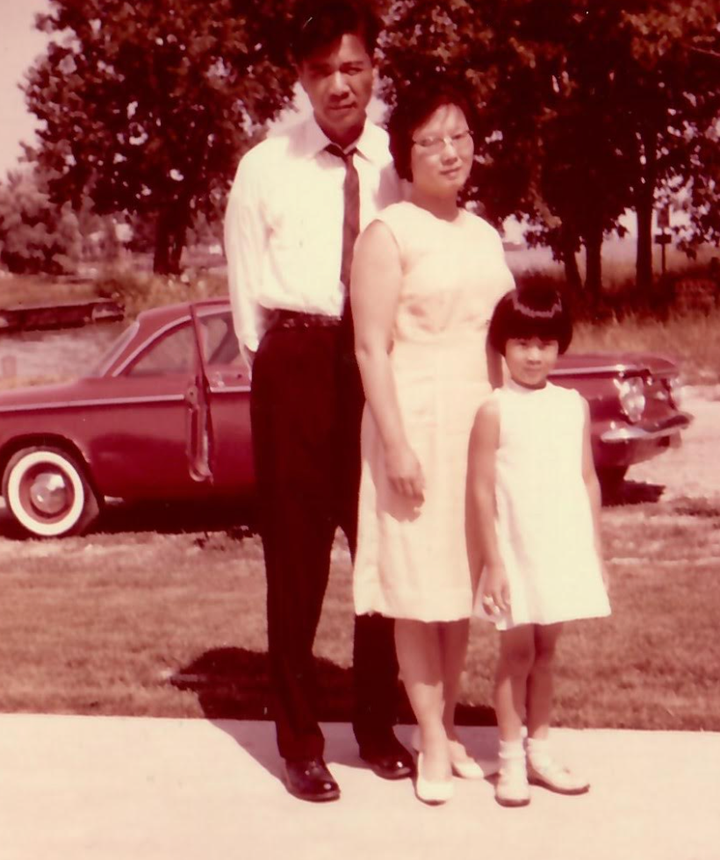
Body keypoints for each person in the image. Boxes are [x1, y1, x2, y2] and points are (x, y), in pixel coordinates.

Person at [224, 0, 412, 803]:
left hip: (379, 366)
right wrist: (284, 367)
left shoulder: (397, 163)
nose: (339, 84)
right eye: (320, 70)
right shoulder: (265, 164)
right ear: (299, 78)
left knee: (382, 550)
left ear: (375, 68)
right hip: (297, 359)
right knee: (296, 564)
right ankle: (300, 742)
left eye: (353, 66)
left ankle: (376, 724)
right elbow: (244, 297)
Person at [351, 84, 515, 804]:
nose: (452, 153)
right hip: (413, 419)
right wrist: (396, 444)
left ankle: (443, 729)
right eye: (432, 142)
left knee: (458, 586)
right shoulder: (388, 232)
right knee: (417, 593)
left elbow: (500, 338)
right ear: (404, 156)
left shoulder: (483, 233)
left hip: (475, 424)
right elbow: (369, 348)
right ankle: (429, 745)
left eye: (462, 136)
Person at [467, 285, 612, 808]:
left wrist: (593, 549)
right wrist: (494, 563)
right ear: (503, 345)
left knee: (548, 653)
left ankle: (541, 750)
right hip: (515, 550)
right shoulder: (494, 410)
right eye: (523, 342)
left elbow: (587, 480)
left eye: (545, 343)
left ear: (560, 345)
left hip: (559, 546)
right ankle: (509, 760)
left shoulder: (572, 406)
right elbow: (481, 491)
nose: (534, 355)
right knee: (517, 652)